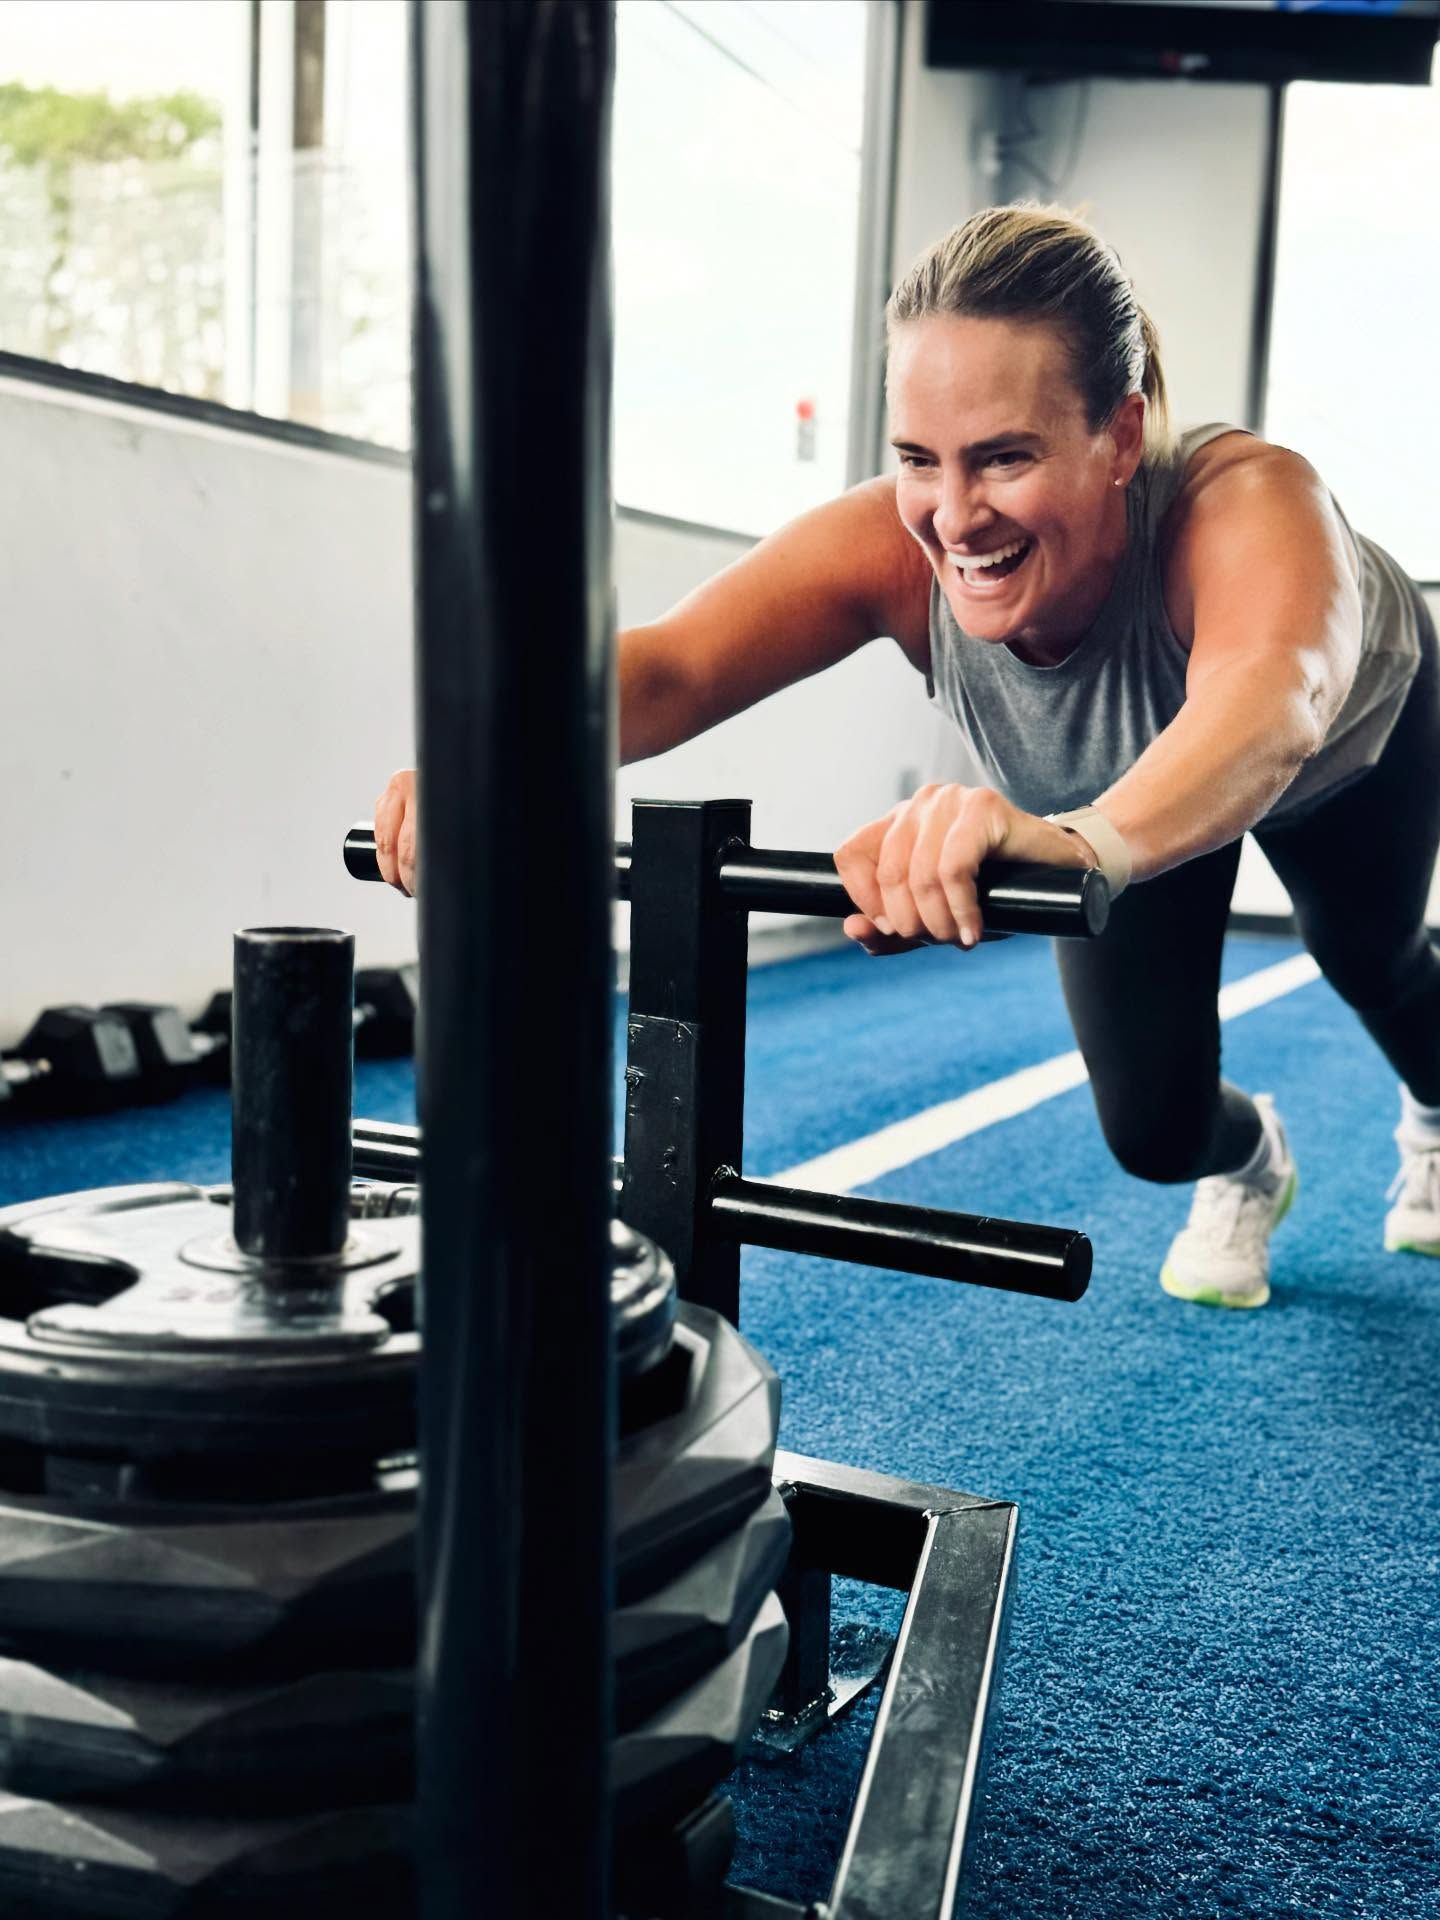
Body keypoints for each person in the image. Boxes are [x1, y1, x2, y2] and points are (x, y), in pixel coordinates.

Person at [375, 202, 1440, 1311]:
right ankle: (1250, 1157)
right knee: (1152, 1130)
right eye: (919, 460)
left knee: (1371, 956)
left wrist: (1077, 840)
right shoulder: (895, 542)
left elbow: (1274, 701)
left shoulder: (1247, 499)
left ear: (1121, 435)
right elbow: (677, 668)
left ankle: (1433, 1117)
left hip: (1343, 751)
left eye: (1006, 457)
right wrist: (492, 754)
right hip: (1113, 806)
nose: (956, 516)